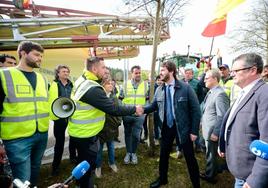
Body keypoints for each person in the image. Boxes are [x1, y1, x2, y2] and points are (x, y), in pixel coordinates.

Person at [67, 57, 143, 188]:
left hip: (79, 131)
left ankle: (81, 183)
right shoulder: (92, 88)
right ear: (94, 69)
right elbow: (113, 108)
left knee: (82, 162)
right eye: (103, 67)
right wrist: (134, 109)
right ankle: (86, 185)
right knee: (87, 166)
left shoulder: (82, 80)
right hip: (86, 133)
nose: (105, 70)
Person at [144, 61, 201, 188]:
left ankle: (196, 184)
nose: (160, 73)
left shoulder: (186, 88)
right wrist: (140, 110)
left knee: (190, 158)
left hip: (183, 129)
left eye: (163, 70)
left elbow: (196, 110)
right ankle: (162, 179)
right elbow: (153, 106)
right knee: (163, 155)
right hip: (166, 128)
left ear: (171, 71)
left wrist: (194, 131)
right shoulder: (159, 89)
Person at [0, 41, 49, 186]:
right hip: (17, 138)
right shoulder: (4, 75)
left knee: (34, 173)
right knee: (22, 179)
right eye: (36, 54)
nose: (39, 58)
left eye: (41, 56)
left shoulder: (42, 78)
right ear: (23, 53)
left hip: (41, 134)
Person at [219, 53, 268, 188]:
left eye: (236, 70)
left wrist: (256, 180)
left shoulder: (264, 94)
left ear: (253, 70)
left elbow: (267, 143)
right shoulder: (244, 91)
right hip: (241, 171)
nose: (232, 73)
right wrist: (222, 144)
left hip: (251, 176)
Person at [200, 69, 229, 184]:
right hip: (207, 128)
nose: (204, 80)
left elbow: (222, 116)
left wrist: (216, 133)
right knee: (209, 152)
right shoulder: (211, 91)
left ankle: (211, 176)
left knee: (211, 154)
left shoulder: (220, 94)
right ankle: (212, 170)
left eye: (207, 78)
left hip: (212, 131)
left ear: (215, 79)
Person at [50, 65, 77, 176]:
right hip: (60, 117)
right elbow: (52, 100)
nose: (66, 73)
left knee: (74, 138)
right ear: (58, 73)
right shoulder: (54, 84)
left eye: (67, 71)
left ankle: (73, 157)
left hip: (71, 115)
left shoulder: (72, 85)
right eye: (63, 71)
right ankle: (55, 166)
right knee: (59, 143)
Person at [119, 65, 147, 165]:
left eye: (139, 72)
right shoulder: (125, 85)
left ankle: (134, 153)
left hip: (139, 117)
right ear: (132, 74)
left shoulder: (145, 85)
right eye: (136, 73)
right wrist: (122, 110)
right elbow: (120, 99)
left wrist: (144, 110)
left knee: (136, 136)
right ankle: (128, 153)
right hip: (127, 115)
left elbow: (148, 100)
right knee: (128, 134)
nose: (138, 74)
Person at [95, 77, 122, 178]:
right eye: (108, 84)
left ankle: (112, 163)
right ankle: (98, 166)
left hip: (111, 128)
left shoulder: (114, 97)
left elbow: (118, 111)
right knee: (99, 148)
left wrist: (118, 122)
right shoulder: (99, 97)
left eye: (112, 84)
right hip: (100, 128)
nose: (111, 85)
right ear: (102, 86)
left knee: (111, 146)